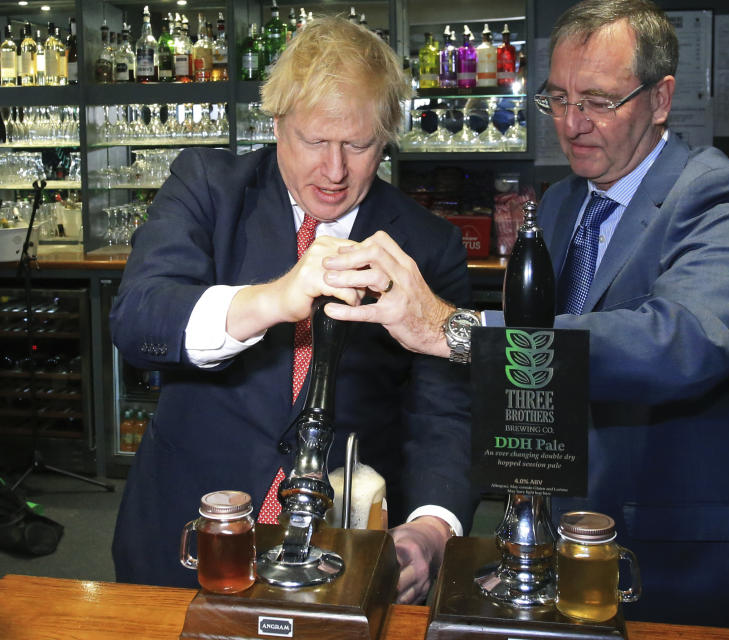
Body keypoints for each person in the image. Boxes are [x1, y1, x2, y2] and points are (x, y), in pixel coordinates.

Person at [321, 0, 729, 630]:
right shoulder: (564, 203)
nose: (573, 124)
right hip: (566, 548)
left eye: (599, 101)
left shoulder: (721, 196)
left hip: (677, 559)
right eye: (559, 99)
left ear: (660, 99)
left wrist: (458, 332)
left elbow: (687, 342)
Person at [109, 15, 474, 605]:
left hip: (348, 549)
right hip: (190, 534)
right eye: (314, 141)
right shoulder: (206, 185)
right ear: (276, 124)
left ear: (385, 138)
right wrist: (275, 299)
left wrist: (433, 530)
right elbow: (139, 319)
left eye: (358, 146)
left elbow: (445, 412)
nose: (334, 172)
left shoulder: (429, 245)